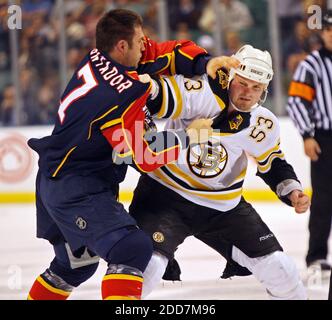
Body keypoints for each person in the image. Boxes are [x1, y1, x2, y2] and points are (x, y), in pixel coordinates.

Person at [26, 9, 232, 300]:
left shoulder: (101, 56)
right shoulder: (119, 96)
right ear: (122, 46)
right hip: (76, 188)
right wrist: (190, 135)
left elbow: (163, 52)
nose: (144, 44)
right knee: (131, 248)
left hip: (53, 177)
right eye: (139, 40)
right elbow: (144, 155)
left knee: (74, 266)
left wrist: (206, 62)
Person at [129, 45, 310, 300]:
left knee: (282, 270)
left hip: (223, 207)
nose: (248, 93)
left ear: (264, 91)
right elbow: (157, 96)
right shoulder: (201, 90)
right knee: (144, 270)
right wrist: (143, 85)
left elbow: (273, 161)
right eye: (243, 84)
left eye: (256, 88)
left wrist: (292, 190)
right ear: (231, 78)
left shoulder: (263, 124)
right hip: (165, 196)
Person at [287, 10, 332, 278]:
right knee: (324, 201)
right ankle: (317, 255)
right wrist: (306, 135)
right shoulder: (311, 65)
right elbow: (296, 102)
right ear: (322, 33)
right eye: (327, 30)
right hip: (326, 139)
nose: (331, 34)